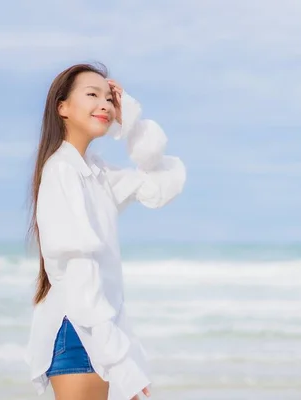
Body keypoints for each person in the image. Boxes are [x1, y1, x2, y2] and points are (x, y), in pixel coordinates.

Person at [24, 63, 186, 400]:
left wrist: (132, 125)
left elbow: (160, 185)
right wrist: (118, 358)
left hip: (96, 332)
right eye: (92, 95)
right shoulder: (62, 171)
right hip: (80, 331)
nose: (104, 104)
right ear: (62, 107)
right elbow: (78, 269)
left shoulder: (95, 172)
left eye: (109, 99)